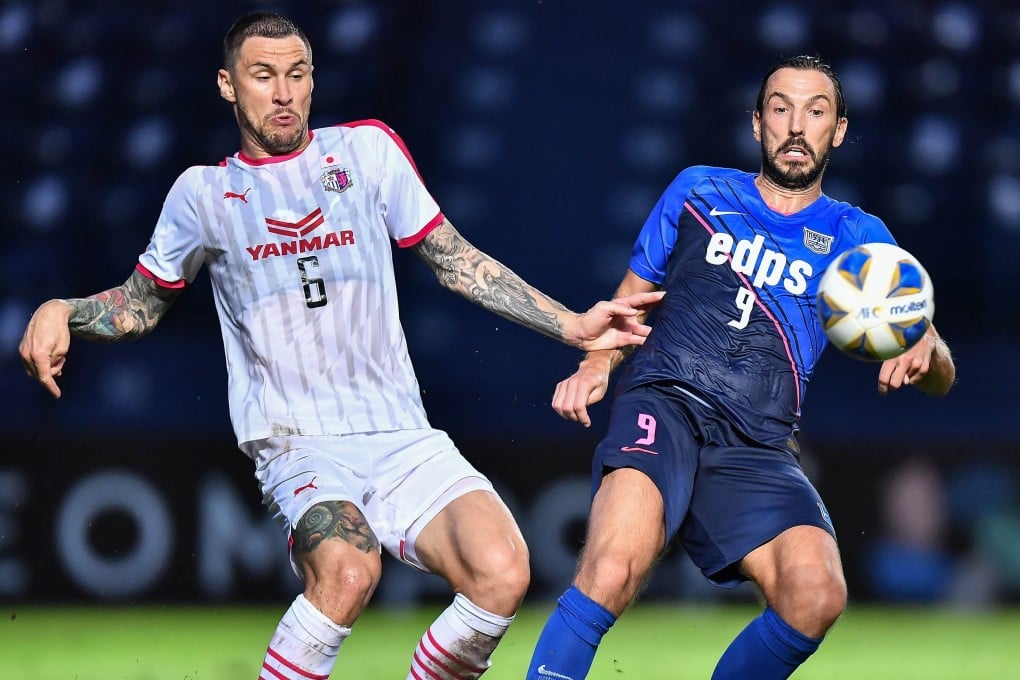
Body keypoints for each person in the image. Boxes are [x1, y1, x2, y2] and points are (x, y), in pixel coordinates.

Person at [18, 11, 664, 680]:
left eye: (297, 74)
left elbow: (454, 260)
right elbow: (140, 305)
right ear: (227, 85)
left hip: (400, 432)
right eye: (263, 76)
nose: (284, 93)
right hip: (297, 440)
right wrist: (66, 310)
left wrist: (571, 325)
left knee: (502, 571)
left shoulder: (366, 153)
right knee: (349, 571)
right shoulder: (202, 196)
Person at [524, 55, 956, 680]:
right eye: (781, 108)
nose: (797, 126)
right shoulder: (698, 191)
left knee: (816, 594)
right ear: (758, 123)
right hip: (665, 403)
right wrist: (596, 366)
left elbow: (939, 366)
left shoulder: (859, 238)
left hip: (758, 442)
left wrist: (926, 350)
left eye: (816, 111)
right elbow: (629, 303)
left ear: (838, 130)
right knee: (611, 568)